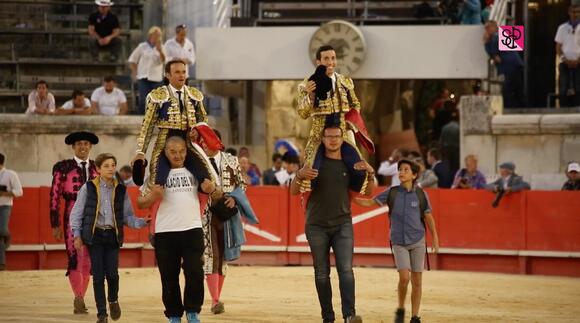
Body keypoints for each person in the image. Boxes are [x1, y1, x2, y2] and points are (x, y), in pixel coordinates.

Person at [290, 125, 376, 323]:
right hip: (316, 226)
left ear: (342, 138)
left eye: (337, 136)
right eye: (329, 137)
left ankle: (349, 315)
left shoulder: (349, 164)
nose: (334, 140)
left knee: (346, 269)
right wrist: (300, 174)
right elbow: (294, 191)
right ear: (323, 138)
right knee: (322, 273)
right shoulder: (312, 163)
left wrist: (370, 174)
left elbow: (369, 192)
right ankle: (328, 317)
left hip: (342, 224)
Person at [137, 136, 217, 323]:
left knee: (195, 272)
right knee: (169, 275)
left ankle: (192, 311)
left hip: (192, 228)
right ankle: (174, 314)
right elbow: (140, 202)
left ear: (186, 151)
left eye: (181, 151)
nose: (178, 155)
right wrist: (153, 195)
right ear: (165, 152)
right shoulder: (155, 176)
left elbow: (218, 192)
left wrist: (211, 188)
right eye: (173, 152)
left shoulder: (196, 172)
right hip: (166, 231)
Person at [354, 160, 439, 323]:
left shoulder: (421, 194)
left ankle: (415, 316)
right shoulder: (392, 192)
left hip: (418, 241)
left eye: (406, 170)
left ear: (414, 175)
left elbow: (428, 216)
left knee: (417, 280)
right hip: (398, 241)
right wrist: (352, 198)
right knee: (404, 278)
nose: (401, 172)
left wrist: (435, 237)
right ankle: (401, 307)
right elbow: (370, 202)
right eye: (400, 169)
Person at [70, 153, 149, 323]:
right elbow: (76, 213)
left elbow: (127, 216)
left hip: (112, 236)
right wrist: (77, 235)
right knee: (98, 276)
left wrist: (142, 222)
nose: (111, 168)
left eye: (113, 165)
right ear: (98, 169)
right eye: (106, 165)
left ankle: (113, 300)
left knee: (112, 274)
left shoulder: (121, 189)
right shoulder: (88, 187)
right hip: (95, 236)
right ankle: (102, 314)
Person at [192, 129, 258, 315]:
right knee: (211, 254)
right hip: (204, 212)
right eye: (202, 141)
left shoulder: (232, 160)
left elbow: (241, 185)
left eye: (208, 140)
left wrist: (235, 199)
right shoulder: (198, 162)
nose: (204, 144)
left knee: (223, 255)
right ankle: (214, 300)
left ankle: (216, 296)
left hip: (226, 212)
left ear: (218, 141)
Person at [297, 45, 374, 193]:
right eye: (326, 58)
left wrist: (352, 121)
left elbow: (355, 104)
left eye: (333, 58)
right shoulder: (306, 85)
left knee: (358, 168)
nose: (330, 62)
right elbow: (303, 113)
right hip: (319, 133)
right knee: (312, 170)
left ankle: (350, 195)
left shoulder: (345, 82)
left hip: (342, 131)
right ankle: (311, 199)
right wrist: (309, 95)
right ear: (318, 62)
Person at [132, 59, 213, 197]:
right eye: (177, 72)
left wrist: (197, 132)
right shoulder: (157, 96)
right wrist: (141, 151)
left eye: (183, 72)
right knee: (157, 182)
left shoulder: (195, 95)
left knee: (208, 181)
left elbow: (203, 121)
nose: (181, 75)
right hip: (164, 142)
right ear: (168, 75)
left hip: (188, 142)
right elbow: (148, 125)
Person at [50, 131, 99, 314]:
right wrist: (55, 224)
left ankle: (81, 296)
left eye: (86, 144)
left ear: (90, 147)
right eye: (79, 144)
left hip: (93, 216)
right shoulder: (63, 167)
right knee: (75, 256)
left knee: (88, 258)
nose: (83, 147)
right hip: (72, 213)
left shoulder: (96, 167)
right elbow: (54, 195)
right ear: (73, 147)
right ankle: (78, 296)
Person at [484, 20, 524, 108]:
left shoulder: (496, 37)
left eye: (488, 28)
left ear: (493, 27)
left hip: (510, 66)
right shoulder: (503, 35)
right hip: (516, 64)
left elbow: (495, 57)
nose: (486, 31)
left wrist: (486, 43)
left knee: (508, 90)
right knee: (516, 88)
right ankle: (520, 106)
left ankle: (509, 108)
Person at [128, 26, 166, 114]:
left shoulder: (162, 48)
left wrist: (160, 51)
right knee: (143, 100)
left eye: (158, 35)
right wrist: (135, 72)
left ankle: (155, 119)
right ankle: (141, 118)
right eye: (155, 35)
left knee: (156, 101)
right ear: (150, 35)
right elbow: (132, 60)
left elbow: (164, 61)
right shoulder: (142, 46)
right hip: (143, 77)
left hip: (156, 79)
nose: (156, 37)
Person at [0, 153, 23, 271]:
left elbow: (19, 192)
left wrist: (4, 193)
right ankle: (2, 264)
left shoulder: (10, 174)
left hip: (5, 205)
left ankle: (7, 238)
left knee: (2, 230)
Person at [556, 6, 580, 107]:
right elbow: (558, 47)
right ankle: (563, 109)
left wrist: (578, 60)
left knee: (579, 87)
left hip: (579, 62)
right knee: (563, 87)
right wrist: (565, 60)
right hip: (565, 62)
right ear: (569, 12)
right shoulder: (562, 28)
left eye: (577, 12)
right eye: (573, 12)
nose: (575, 14)